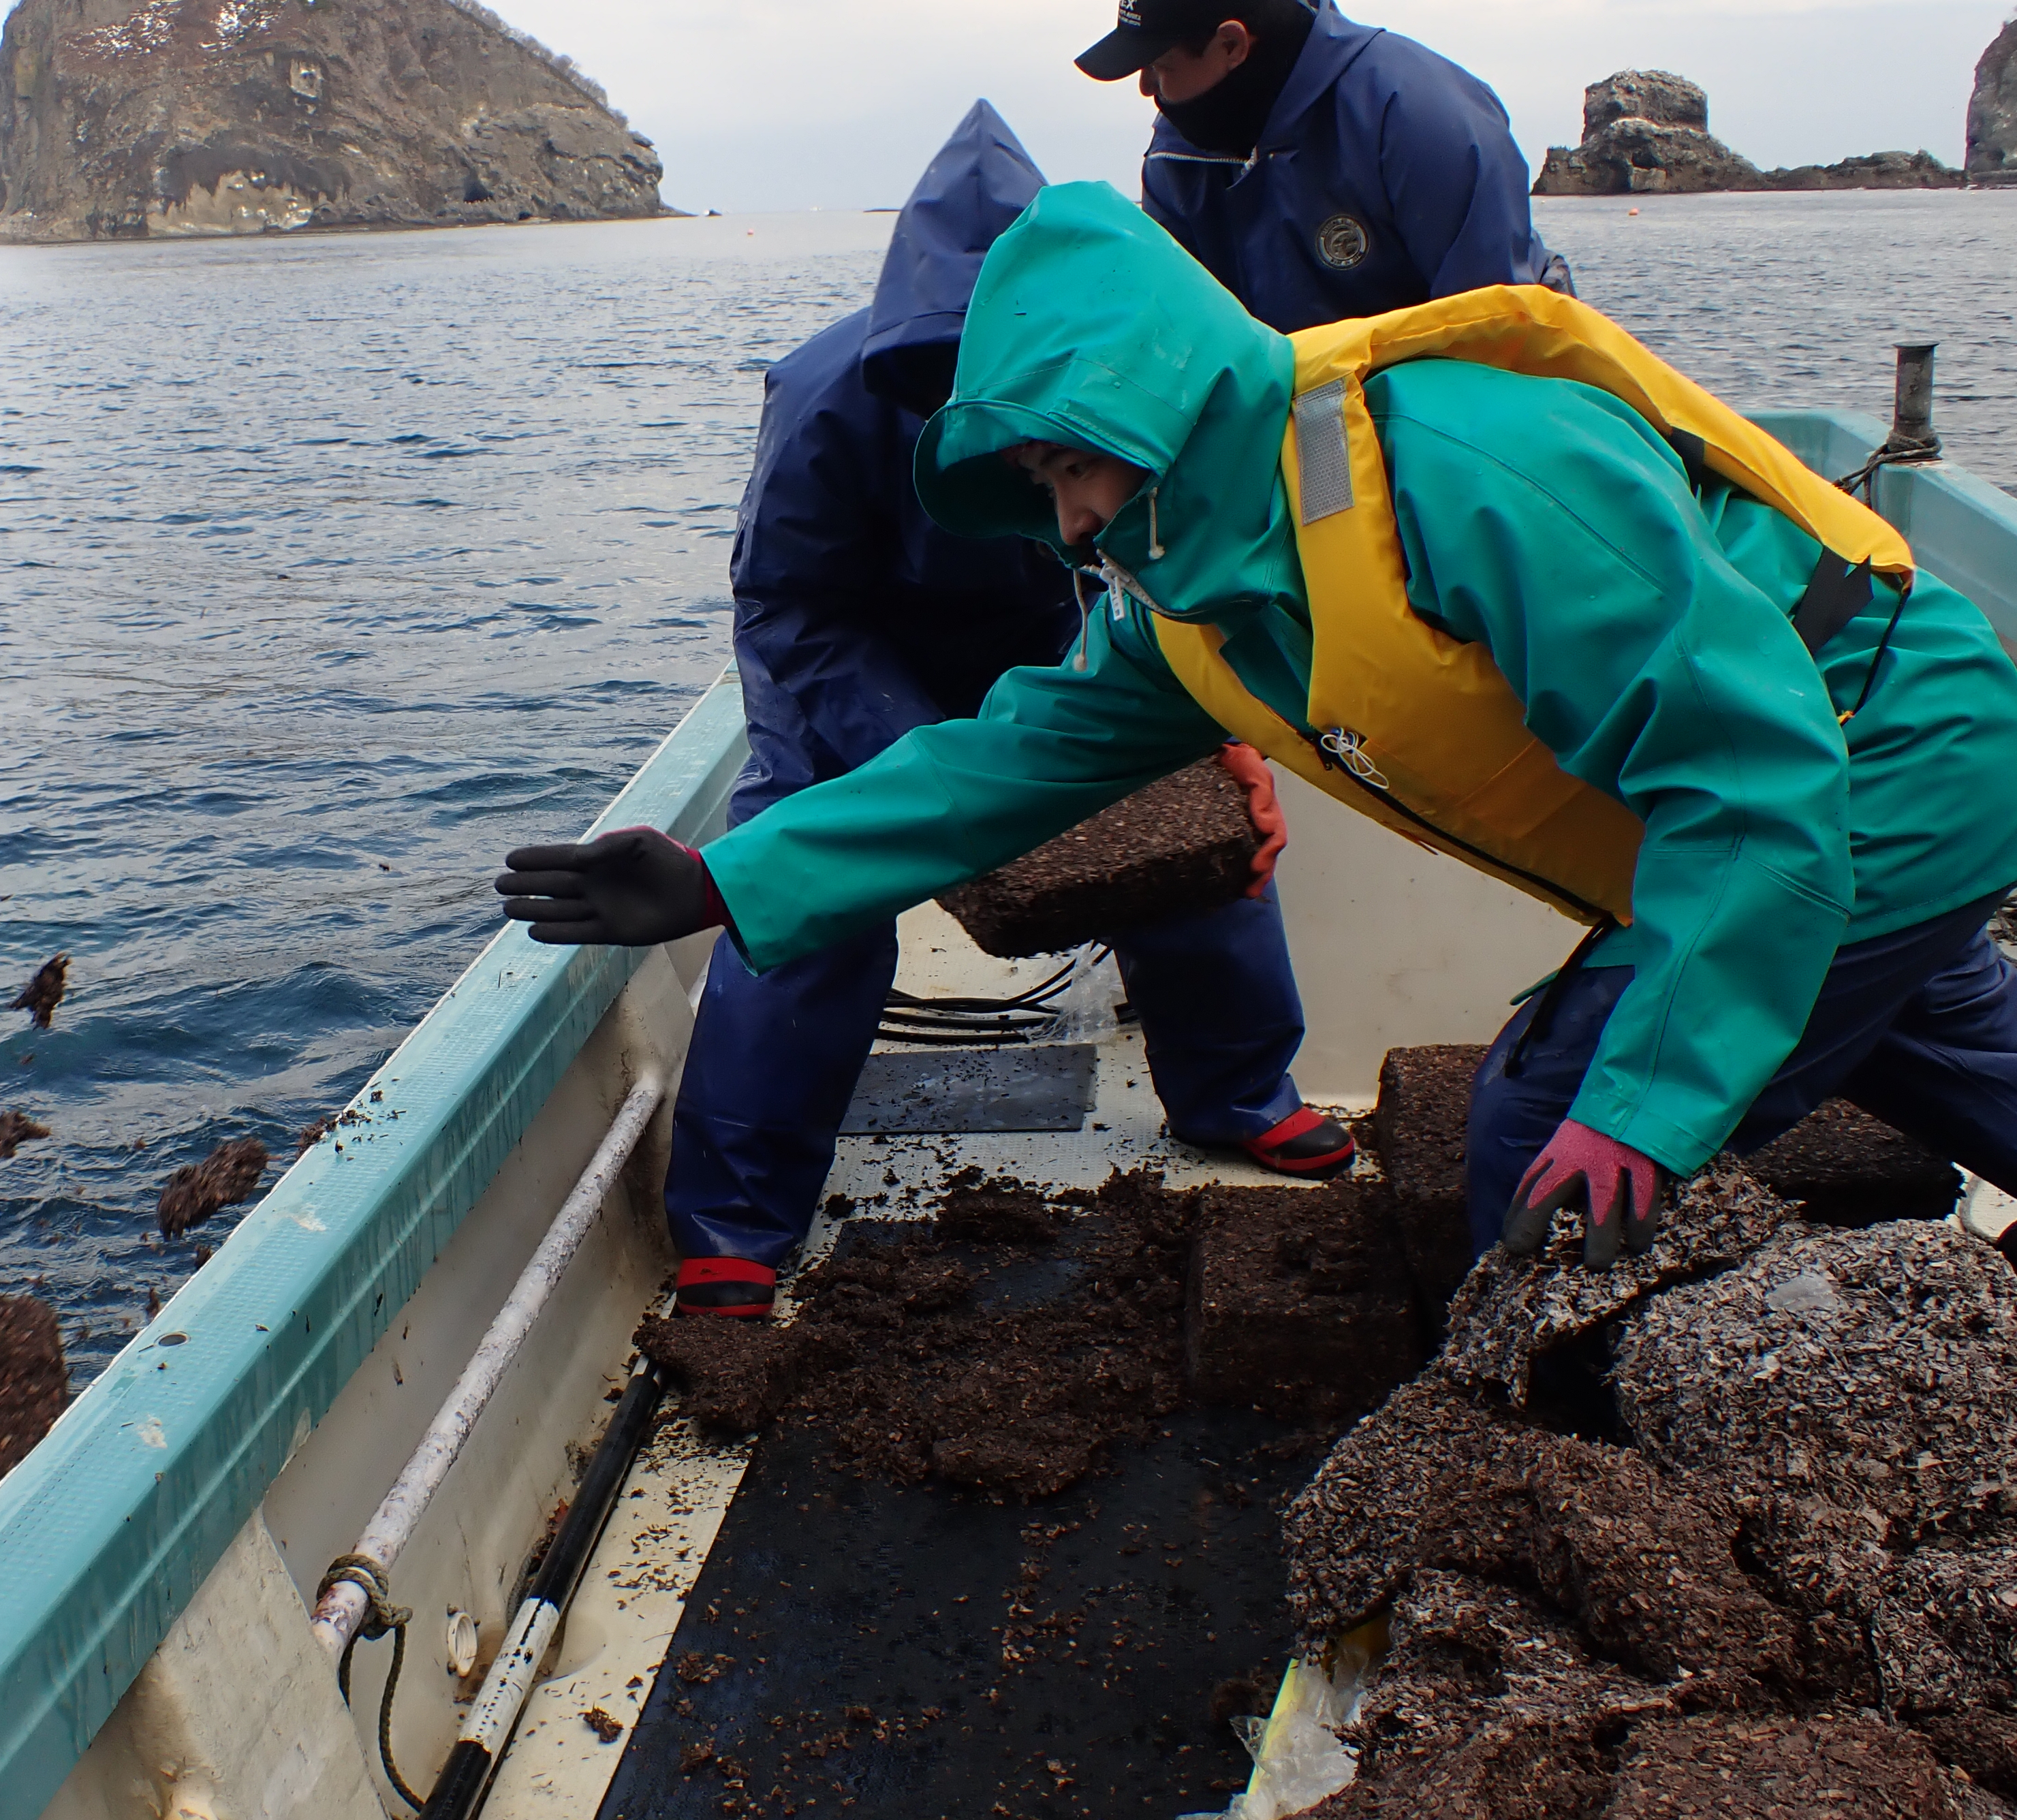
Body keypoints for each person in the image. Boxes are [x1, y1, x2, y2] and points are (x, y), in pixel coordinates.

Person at [497, 182, 2017, 1271]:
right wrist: (724, 880)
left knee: (1542, 1124)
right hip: (1848, 794)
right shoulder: (1192, 600)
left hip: (1877, 761)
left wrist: (1642, 1109)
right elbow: (995, 767)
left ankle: (1524, 1493)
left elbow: (1755, 780)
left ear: (1151, 396)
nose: (1066, 518)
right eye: (1037, 485)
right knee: (1927, 1044)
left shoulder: (1464, 467)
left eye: (1069, 464)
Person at [655, 106, 1349, 1319]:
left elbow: (1169, 573)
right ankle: (737, 1216)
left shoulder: (1117, 384)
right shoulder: (824, 394)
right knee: (810, 874)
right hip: (852, 651)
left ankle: (1236, 1090)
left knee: (1191, 830)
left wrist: (1225, 735)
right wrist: (912, 760)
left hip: (1059, 639)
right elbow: (790, 600)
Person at [1075, 0, 1573, 332]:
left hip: (1454, 398)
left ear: (1231, 45)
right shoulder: (1179, 153)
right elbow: (1175, 330)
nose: (1146, 88)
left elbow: (1494, 335)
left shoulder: (1422, 118)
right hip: (1301, 409)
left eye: (1160, 66)